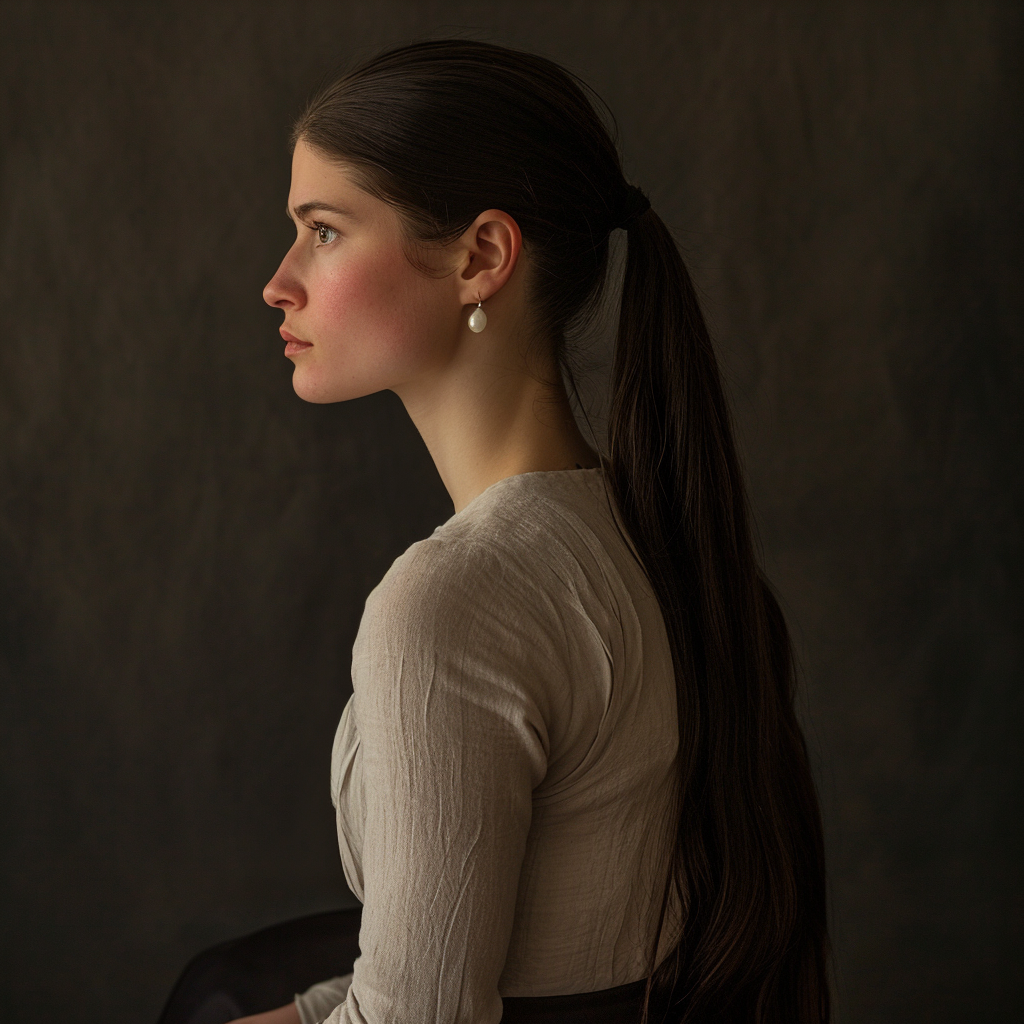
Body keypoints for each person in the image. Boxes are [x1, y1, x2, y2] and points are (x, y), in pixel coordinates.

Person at [160, 38, 831, 1024]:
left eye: (325, 230)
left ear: (479, 256)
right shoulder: (628, 529)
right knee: (221, 984)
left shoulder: (458, 599)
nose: (280, 281)